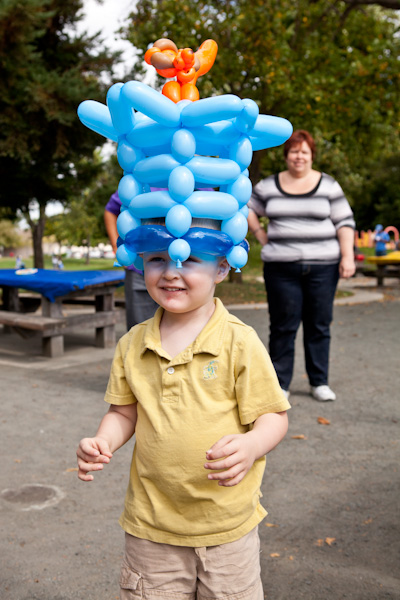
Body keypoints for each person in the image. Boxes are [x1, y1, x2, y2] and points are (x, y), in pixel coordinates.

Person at [76, 223, 290, 599]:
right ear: (141, 263)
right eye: (158, 259)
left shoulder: (239, 341)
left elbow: (272, 416)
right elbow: (124, 413)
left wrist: (253, 444)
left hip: (226, 526)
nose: (171, 272)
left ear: (221, 269)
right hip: (152, 526)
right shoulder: (132, 344)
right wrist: (102, 440)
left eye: (189, 259)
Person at [248, 130, 356, 402]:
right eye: (294, 151)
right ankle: (279, 384)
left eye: (304, 151)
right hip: (281, 268)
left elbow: (344, 222)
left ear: (311, 156)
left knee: (319, 324)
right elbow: (247, 207)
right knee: (283, 325)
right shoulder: (268, 185)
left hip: (323, 266)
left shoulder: (329, 185)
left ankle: (319, 382)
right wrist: (259, 235)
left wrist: (348, 257)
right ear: (287, 156)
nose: (299, 156)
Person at [104, 191, 158, 329]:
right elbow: (111, 210)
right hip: (138, 270)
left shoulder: (195, 180)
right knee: (138, 332)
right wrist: (118, 249)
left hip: (181, 272)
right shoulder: (138, 181)